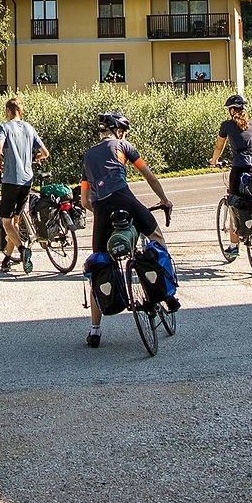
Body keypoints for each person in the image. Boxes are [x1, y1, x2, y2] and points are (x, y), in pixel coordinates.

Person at [81, 110, 174, 347]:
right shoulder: (123, 146)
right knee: (155, 235)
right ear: (118, 131)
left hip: (101, 210)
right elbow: (149, 176)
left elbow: (84, 202)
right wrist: (164, 200)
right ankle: (168, 293)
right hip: (124, 198)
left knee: (99, 263)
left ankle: (95, 331)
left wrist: (103, 214)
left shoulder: (88, 156)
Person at [210, 92, 252, 259]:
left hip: (240, 167)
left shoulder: (226, 125)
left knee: (234, 202)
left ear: (232, 110)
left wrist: (214, 161)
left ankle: (234, 246)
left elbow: (219, 146)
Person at [0, 97, 48, 273]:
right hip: (27, 180)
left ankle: (23, 250)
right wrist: (35, 159)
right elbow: (45, 152)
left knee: (6, 223)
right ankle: (7, 260)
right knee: (16, 221)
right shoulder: (29, 128)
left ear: (9, 111)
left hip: (11, 179)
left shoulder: (4, 127)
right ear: (20, 111)